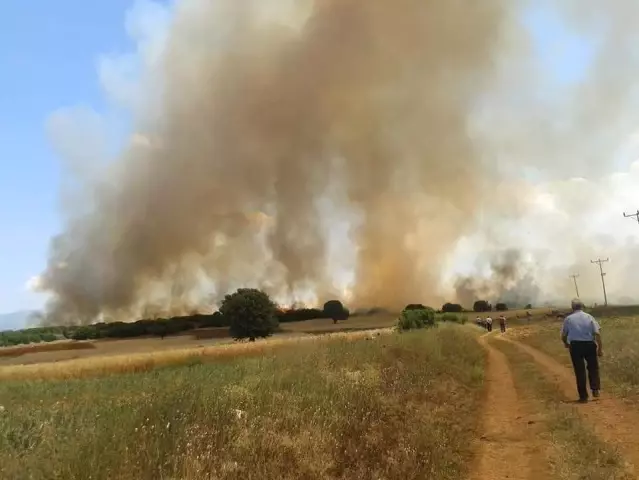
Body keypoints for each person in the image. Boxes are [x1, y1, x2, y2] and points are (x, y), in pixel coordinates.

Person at [561, 298, 603, 403]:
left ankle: (583, 396)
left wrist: (566, 343)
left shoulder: (568, 319)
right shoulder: (589, 317)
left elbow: (563, 335)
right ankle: (595, 389)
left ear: (572, 307)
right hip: (589, 345)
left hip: (575, 346)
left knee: (579, 371)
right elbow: (597, 333)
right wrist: (600, 349)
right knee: (593, 368)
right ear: (582, 306)